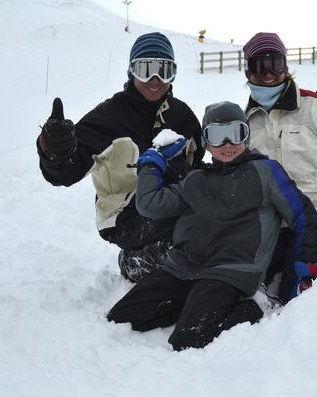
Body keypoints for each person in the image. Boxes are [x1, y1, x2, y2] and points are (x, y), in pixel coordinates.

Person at [106, 101, 317, 350]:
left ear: (247, 135)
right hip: (183, 268)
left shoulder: (265, 171)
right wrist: (151, 164)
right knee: (120, 318)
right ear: (207, 142)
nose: (228, 144)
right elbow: (150, 205)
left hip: (230, 271)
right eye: (218, 136)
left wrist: (307, 265)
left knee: (187, 340)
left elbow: (302, 214)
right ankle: (188, 305)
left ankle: (253, 307)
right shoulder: (197, 179)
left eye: (236, 133)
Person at [37, 32, 204, 282]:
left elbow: (197, 163)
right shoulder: (108, 119)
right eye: (145, 69)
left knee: (210, 218)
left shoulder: (182, 116)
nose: (155, 80)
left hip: (170, 203)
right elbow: (67, 171)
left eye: (164, 70)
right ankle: (140, 262)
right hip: (126, 216)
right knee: (191, 233)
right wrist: (55, 153)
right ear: (131, 71)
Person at [242, 32, 317, 302]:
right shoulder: (243, 123)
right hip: (269, 231)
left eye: (275, 64)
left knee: (304, 298)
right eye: (259, 66)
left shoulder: (315, 108)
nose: (268, 74)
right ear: (247, 71)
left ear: (286, 67)